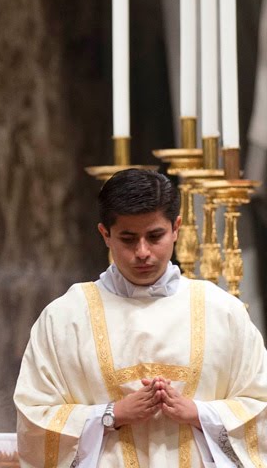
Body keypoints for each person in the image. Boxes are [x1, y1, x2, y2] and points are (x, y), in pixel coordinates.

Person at [15, 168, 267, 467]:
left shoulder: (222, 312)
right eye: (128, 238)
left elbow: (259, 405)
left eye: (155, 235)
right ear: (105, 234)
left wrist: (197, 414)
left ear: (176, 228)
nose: (143, 252)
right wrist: (112, 415)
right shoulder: (65, 318)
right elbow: (34, 417)